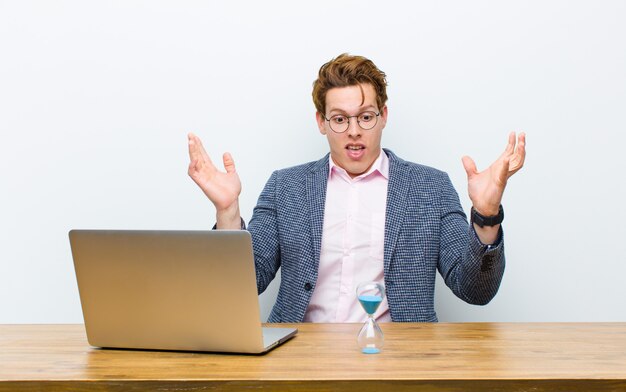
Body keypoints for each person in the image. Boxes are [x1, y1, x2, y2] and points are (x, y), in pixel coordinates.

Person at [187, 54, 526, 323]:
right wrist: (228, 211)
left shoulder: (430, 187)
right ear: (321, 122)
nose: (353, 131)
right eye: (339, 119)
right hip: (299, 358)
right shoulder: (285, 187)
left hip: (400, 362)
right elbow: (242, 286)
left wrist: (487, 214)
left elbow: (475, 289)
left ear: (383, 116)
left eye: (365, 116)